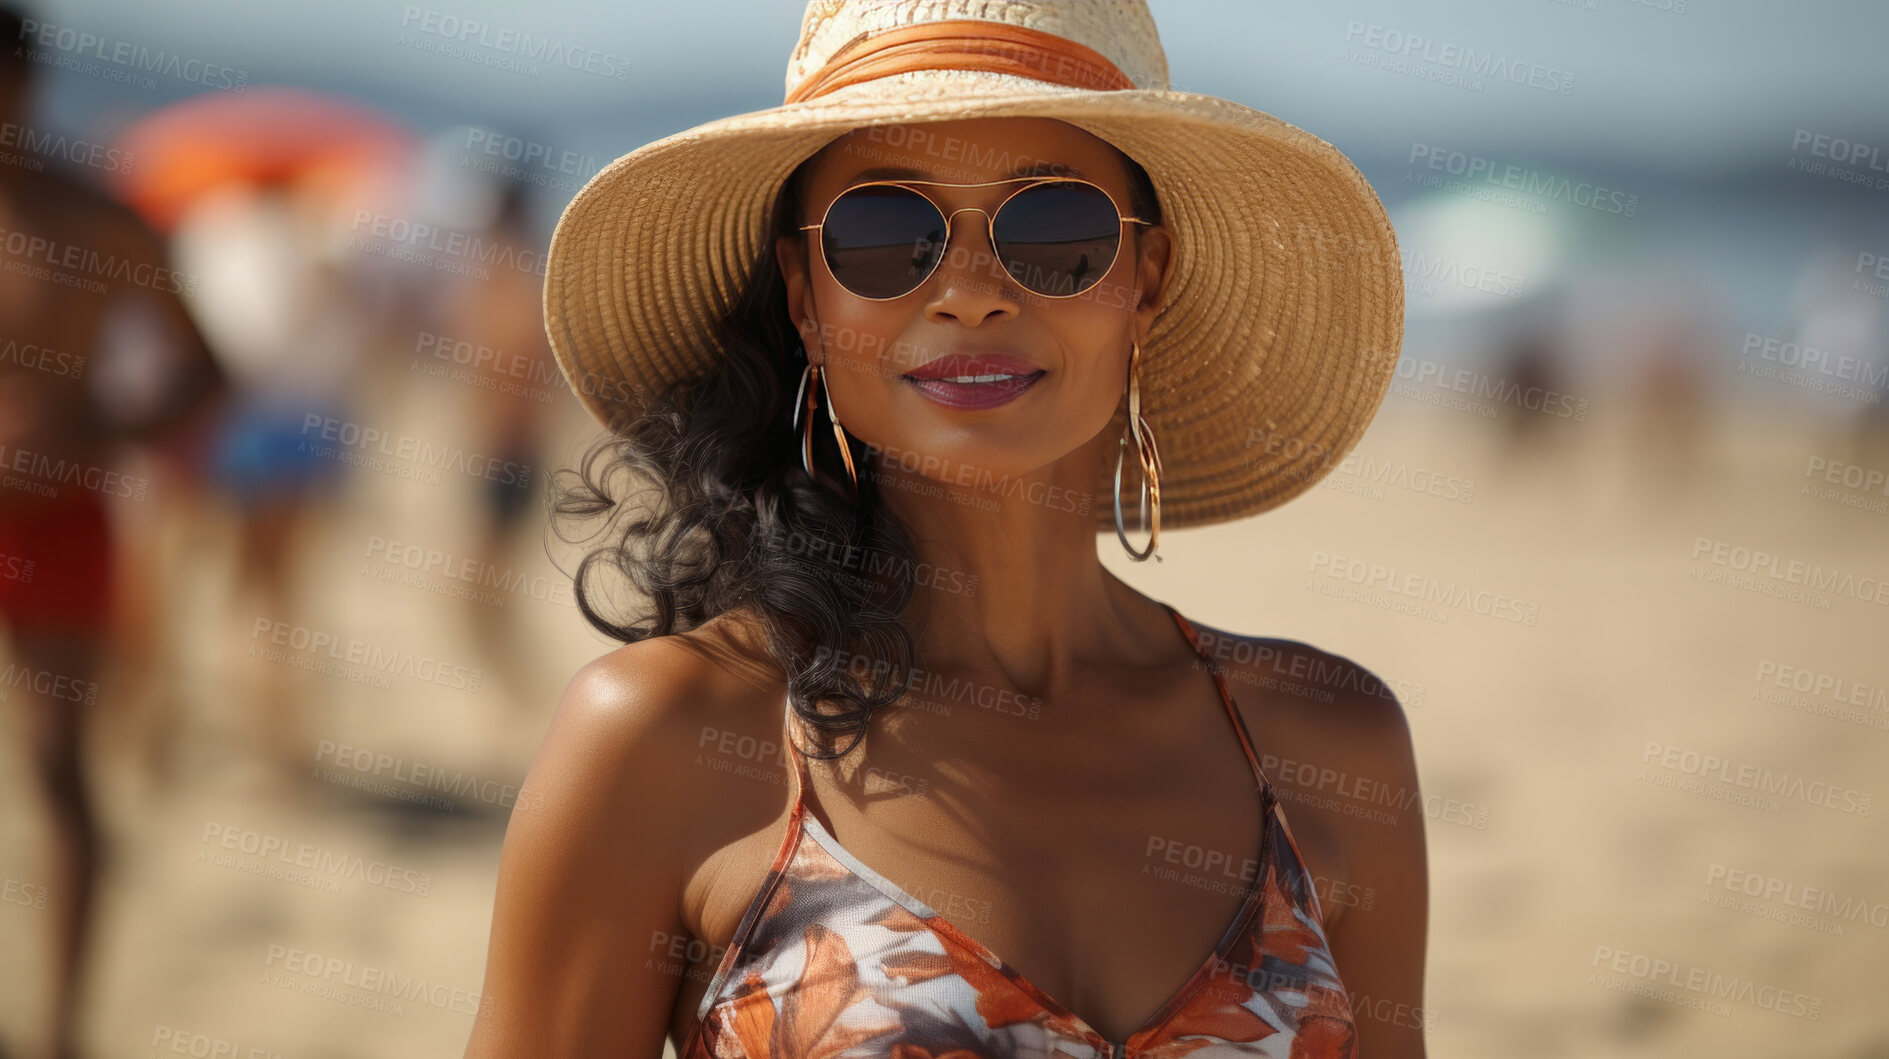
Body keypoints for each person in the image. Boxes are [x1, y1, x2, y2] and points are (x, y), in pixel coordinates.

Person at [465, 3, 1426, 1057]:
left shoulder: (1329, 744)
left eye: (1053, 231)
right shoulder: (663, 739)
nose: (969, 292)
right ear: (804, 298)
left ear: (1144, 282)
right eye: (885, 235)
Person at [0, 6, 229, 1056]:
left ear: (23, 83)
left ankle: (59, 1029)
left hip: (57, 517)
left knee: (59, 775)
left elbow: (206, 371)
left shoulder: (93, 220)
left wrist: (102, 425)